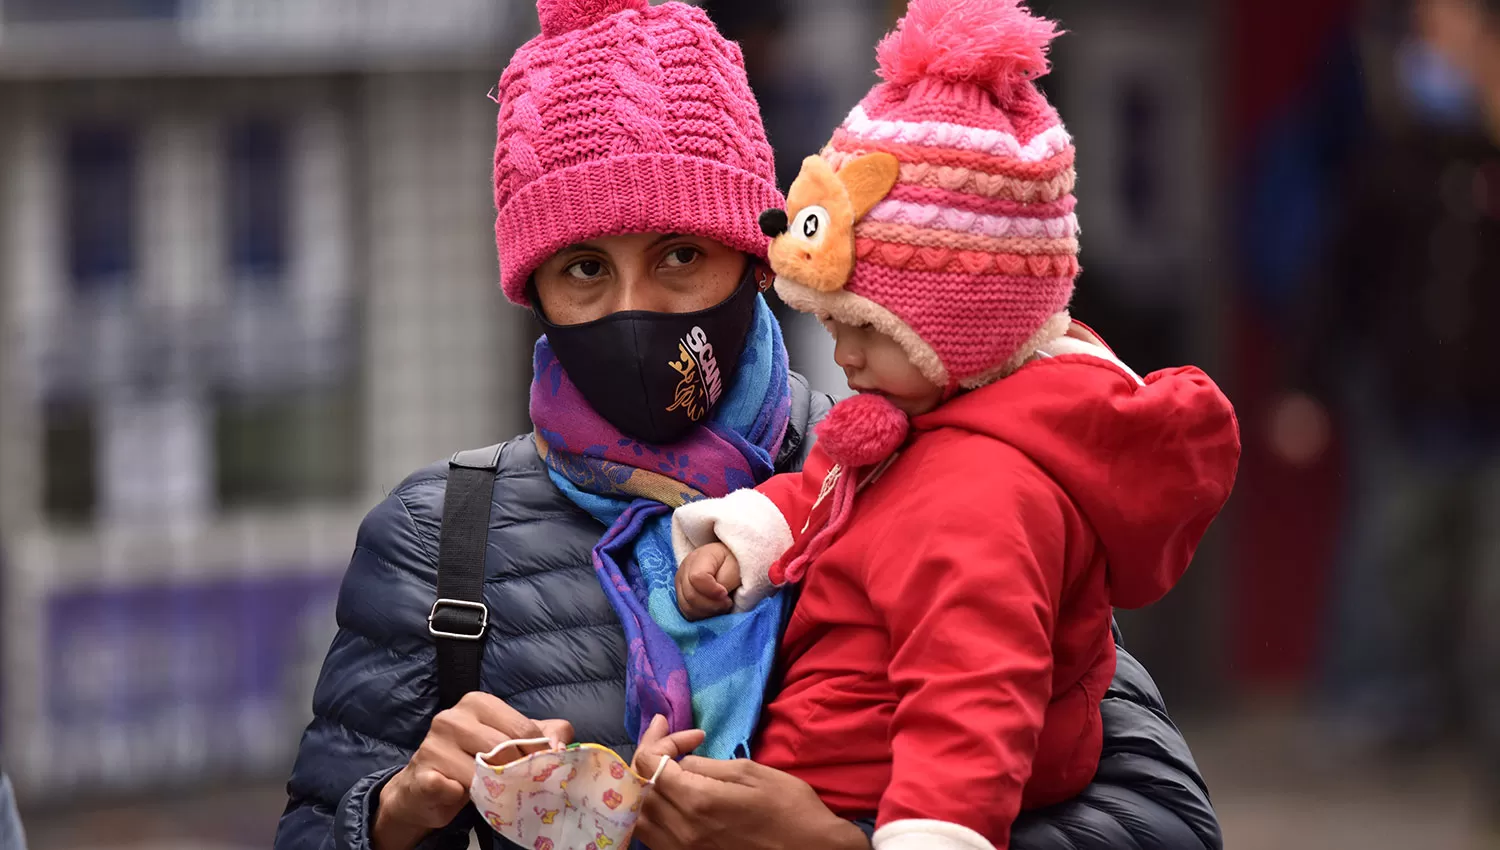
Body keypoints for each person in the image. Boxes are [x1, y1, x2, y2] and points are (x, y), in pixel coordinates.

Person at [273, 1, 1224, 849]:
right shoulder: (441, 537)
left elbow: (1164, 819)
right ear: (535, 293)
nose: (635, 311)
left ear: (759, 261)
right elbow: (319, 823)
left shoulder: (941, 473)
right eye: (584, 271)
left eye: (680, 255)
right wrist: (397, 812)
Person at [656, 4, 1239, 848]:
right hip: (841, 767)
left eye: (868, 330)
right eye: (829, 322)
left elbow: (973, 699)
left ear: (964, 329)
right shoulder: (927, 411)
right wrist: (752, 538)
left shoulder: (984, 499)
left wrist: (929, 833)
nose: (842, 356)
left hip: (879, 794)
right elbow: (839, 491)